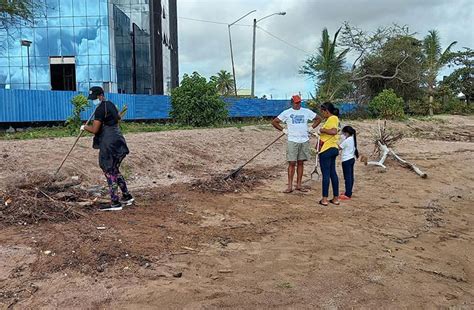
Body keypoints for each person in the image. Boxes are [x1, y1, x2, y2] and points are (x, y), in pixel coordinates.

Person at [81, 86, 134, 211]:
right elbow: (118, 118)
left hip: (109, 143)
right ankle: (127, 196)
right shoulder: (110, 104)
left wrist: (84, 127)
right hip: (119, 141)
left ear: (100, 96)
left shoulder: (100, 109)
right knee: (115, 169)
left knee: (109, 171)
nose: (93, 100)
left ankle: (115, 203)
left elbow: (95, 129)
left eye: (95, 98)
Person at [272, 95, 322, 193]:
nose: (298, 104)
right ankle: (290, 186)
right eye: (296, 102)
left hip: (304, 140)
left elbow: (318, 118)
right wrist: (283, 130)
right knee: (291, 163)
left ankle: (299, 185)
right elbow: (274, 122)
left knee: (301, 163)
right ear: (292, 103)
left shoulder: (306, 111)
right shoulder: (287, 113)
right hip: (292, 140)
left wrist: (311, 128)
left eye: (299, 102)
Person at [318, 102, 340, 206]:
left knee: (326, 174)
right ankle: (335, 198)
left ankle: (324, 199)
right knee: (332, 173)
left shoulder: (332, 118)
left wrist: (322, 130)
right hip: (332, 148)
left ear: (326, 111)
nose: (322, 114)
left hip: (327, 149)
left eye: (322, 111)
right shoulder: (333, 119)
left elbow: (333, 131)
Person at [339, 126, 359, 200]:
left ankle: (348, 194)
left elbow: (339, 148)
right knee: (350, 176)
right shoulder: (352, 139)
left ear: (346, 133)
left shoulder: (347, 141)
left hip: (346, 160)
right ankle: (348, 192)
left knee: (347, 177)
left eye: (343, 133)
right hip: (351, 159)